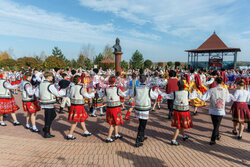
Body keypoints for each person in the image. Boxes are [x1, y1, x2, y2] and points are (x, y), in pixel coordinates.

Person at [161, 80, 197, 146]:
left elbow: (166, 96)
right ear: (184, 85)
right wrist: (194, 90)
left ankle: (183, 135)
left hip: (177, 111)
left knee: (180, 124)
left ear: (178, 85)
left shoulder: (174, 93)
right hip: (184, 111)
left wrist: (160, 92)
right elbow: (194, 96)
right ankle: (173, 139)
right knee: (179, 126)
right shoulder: (187, 92)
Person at [197, 77, 231, 145]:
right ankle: (215, 137)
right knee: (216, 124)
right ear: (221, 82)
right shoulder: (225, 90)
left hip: (213, 109)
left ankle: (214, 138)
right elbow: (228, 100)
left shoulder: (212, 90)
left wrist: (197, 94)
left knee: (215, 124)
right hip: (221, 109)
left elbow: (204, 98)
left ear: (215, 82)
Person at [37, 71, 66, 138]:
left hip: (44, 102)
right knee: (49, 117)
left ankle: (46, 129)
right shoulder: (50, 85)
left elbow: (37, 93)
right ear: (49, 77)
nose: (52, 78)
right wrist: (63, 90)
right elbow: (57, 94)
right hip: (49, 102)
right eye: (52, 76)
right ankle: (46, 132)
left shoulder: (41, 84)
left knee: (52, 115)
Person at [133, 75, 159, 147]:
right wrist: (156, 92)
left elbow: (132, 95)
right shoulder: (148, 89)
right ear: (145, 80)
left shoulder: (136, 88)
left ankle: (141, 137)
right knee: (142, 124)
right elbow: (154, 96)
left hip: (138, 107)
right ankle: (138, 140)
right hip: (144, 108)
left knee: (141, 122)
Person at [66, 75, 94, 140]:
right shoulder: (81, 88)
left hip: (73, 105)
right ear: (79, 80)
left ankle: (85, 131)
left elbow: (68, 95)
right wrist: (93, 93)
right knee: (75, 121)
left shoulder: (71, 87)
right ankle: (70, 134)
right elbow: (88, 96)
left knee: (81, 119)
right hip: (79, 106)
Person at [105, 76, 128, 143]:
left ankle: (116, 134)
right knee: (113, 123)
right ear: (115, 82)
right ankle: (108, 137)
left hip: (109, 107)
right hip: (115, 108)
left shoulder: (106, 88)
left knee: (114, 122)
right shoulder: (117, 89)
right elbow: (123, 95)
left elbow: (102, 95)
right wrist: (128, 91)